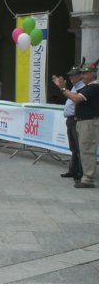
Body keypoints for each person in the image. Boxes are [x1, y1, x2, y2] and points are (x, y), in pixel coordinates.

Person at [53, 60, 99, 189]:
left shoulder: (93, 87)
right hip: (85, 122)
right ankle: (85, 176)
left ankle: (88, 179)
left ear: (92, 75)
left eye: (85, 73)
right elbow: (75, 96)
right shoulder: (89, 87)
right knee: (84, 150)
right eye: (82, 73)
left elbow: (76, 98)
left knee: (87, 151)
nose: (82, 75)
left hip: (89, 122)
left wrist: (62, 88)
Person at [52, 65, 84, 181]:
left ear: (80, 76)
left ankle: (80, 172)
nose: (70, 77)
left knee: (79, 148)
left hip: (76, 119)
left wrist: (62, 88)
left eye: (73, 75)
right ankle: (73, 170)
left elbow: (76, 99)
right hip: (71, 120)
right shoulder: (76, 87)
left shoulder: (82, 87)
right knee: (74, 148)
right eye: (70, 75)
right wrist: (62, 87)